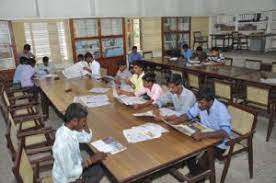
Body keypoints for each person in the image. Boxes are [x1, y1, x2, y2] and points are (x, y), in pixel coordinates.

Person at [167, 88, 231, 179]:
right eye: (198, 102)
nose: (199, 105)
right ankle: (195, 174)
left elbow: (225, 133)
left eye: (202, 103)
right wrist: (175, 122)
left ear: (210, 101)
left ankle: (197, 176)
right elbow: (188, 115)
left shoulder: (221, 109)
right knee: (187, 151)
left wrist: (203, 135)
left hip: (219, 142)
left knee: (203, 162)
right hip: (204, 135)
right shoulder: (200, 104)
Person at [52, 103, 107, 183]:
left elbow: (87, 138)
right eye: (84, 121)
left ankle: (82, 178)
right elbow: (70, 173)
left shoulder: (69, 129)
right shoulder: (63, 144)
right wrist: (91, 160)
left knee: (100, 169)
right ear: (74, 121)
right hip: (66, 179)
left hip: (75, 166)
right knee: (98, 171)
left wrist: (84, 121)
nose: (85, 124)